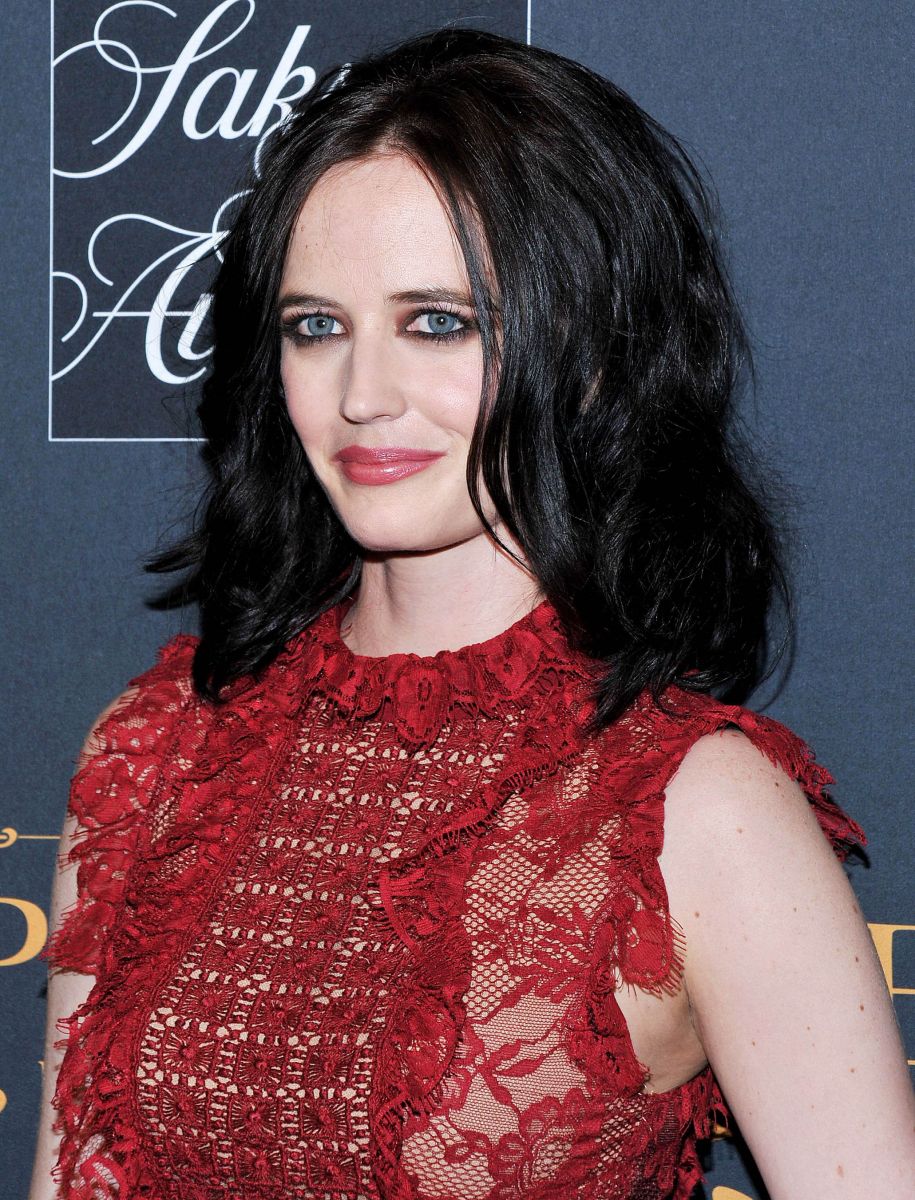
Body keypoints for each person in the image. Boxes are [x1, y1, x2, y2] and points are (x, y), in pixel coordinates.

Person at [30, 27, 914, 1200]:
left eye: (438, 322)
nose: (362, 394)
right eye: (316, 326)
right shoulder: (158, 752)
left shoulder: (693, 810)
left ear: (591, 356)